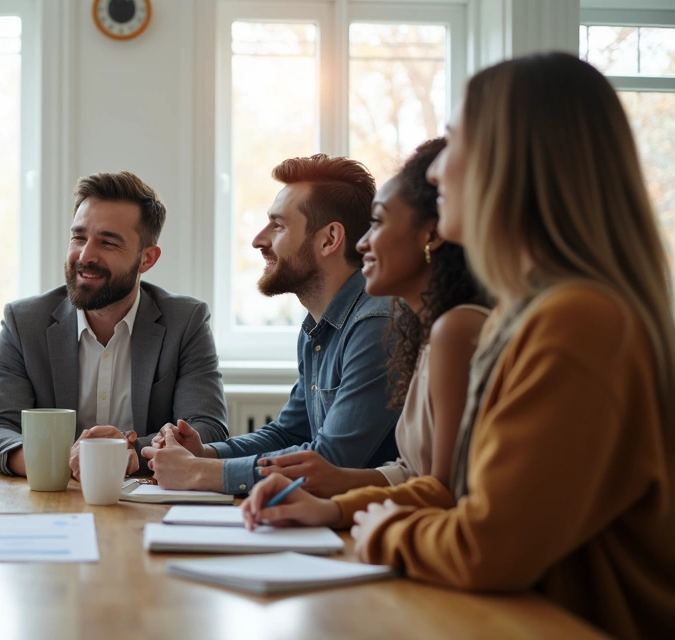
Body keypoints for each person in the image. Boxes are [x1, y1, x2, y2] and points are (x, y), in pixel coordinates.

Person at [244, 53, 675, 639]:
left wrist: (380, 532)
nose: (438, 171)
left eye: (455, 142)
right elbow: (458, 490)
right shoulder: (522, 321)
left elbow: (488, 544)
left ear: (515, 163)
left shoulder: (578, 323)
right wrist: (337, 510)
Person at [141, 155, 400, 495]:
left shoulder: (375, 325)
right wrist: (206, 453)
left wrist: (199, 473)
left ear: (329, 239)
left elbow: (333, 460)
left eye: (278, 226)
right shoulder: (316, 329)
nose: (258, 240)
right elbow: (288, 433)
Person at [248, 139, 490, 497]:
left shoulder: (420, 327)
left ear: (432, 235)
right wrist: (204, 457)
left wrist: (204, 472)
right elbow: (410, 474)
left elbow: (443, 492)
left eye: (377, 223)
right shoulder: (419, 331)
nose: (362, 244)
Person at [0, 171, 228, 478]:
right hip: (51, 498)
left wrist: (123, 453)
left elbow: (207, 430)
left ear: (147, 259)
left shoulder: (185, 322)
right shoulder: (25, 322)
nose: (85, 256)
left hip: (148, 506)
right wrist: (63, 460)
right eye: (79, 237)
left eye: (107, 242)